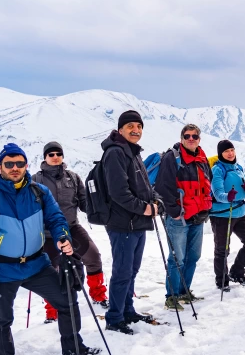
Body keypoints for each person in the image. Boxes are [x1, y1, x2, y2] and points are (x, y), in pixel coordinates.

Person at [0, 143, 98, 355]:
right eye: (9, 164)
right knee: (1, 321)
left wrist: (63, 237)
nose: (15, 168)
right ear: (0, 166)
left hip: (36, 265)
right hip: (0, 270)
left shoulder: (38, 192)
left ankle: (73, 347)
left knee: (66, 299)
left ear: (26, 165)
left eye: (19, 163)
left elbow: (56, 218)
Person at [100, 110, 163, 335]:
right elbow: (119, 193)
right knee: (122, 271)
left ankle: (127, 310)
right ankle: (114, 317)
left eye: (139, 126)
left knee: (132, 270)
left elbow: (142, 186)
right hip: (123, 224)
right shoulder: (116, 153)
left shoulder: (132, 152)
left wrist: (154, 200)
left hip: (136, 223)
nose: (135, 130)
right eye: (130, 126)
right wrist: (146, 208)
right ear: (120, 130)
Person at [33, 141, 109, 324]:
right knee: (50, 270)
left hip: (72, 227)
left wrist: (101, 206)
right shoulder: (35, 180)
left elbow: (84, 203)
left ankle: (98, 295)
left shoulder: (73, 178)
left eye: (58, 153)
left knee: (93, 256)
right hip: (47, 233)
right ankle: (52, 310)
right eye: (50, 154)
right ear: (45, 157)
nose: (55, 157)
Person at [154, 123, 213, 310]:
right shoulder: (173, 157)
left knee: (193, 256)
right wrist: (174, 212)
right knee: (177, 258)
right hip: (179, 217)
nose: (190, 139)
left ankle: (184, 292)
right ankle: (171, 296)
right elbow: (163, 187)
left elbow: (207, 184)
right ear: (181, 138)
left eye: (194, 136)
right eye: (187, 136)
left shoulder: (203, 159)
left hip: (198, 216)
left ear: (199, 139)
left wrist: (206, 208)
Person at [210, 140, 245, 290]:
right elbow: (218, 194)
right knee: (222, 249)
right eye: (226, 151)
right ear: (220, 154)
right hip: (222, 215)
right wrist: (228, 197)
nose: (230, 153)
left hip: (241, 212)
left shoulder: (238, 167)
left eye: (232, 150)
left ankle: (237, 272)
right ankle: (222, 281)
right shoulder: (217, 170)